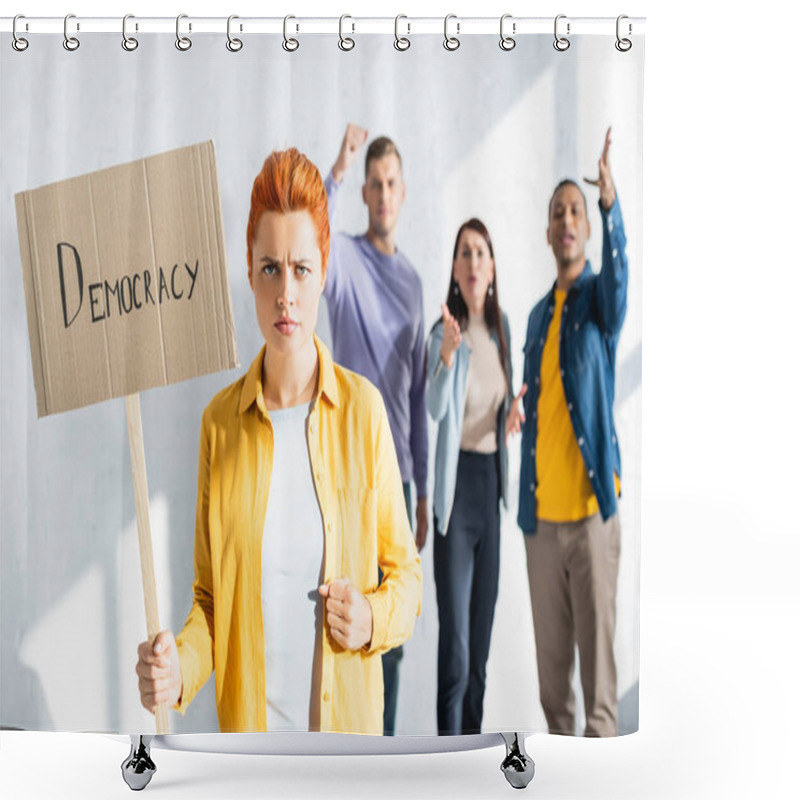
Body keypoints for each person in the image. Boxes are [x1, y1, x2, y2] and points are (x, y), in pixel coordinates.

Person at [135, 148, 422, 735]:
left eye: (300, 269)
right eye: (270, 268)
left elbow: (409, 584)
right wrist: (176, 670)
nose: (285, 294)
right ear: (248, 271)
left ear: (324, 270)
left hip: (346, 759)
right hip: (250, 760)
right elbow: (212, 607)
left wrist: (371, 617)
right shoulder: (219, 423)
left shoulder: (364, 413)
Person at [518, 127, 628, 737]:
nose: (566, 219)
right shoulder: (537, 315)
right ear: (547, 231)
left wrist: (611, 205)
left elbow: (619, 281)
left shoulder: (598, 302)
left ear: (585, 230)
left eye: (576, 211)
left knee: (599, 698)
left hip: (591, 519)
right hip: (541, 525)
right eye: (558, 211)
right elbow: (537, 403)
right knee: (552, 692)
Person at [322, 124, 428, 735]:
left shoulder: (414, 282)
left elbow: (416, 395)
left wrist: (420, 489)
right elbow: (314, 232)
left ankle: (381, 756)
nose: (384, 193)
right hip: (344, 471)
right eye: (374, 183)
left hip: (397, 482)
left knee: (396, 628)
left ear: (403, 192)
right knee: (345, 619)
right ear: (364, 193)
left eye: (392, 183)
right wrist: (337, 168)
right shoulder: (345, 264)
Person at [426, 219, 525, 735]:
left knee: (481, 658)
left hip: (490, 489)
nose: (471, 262)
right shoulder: (445, 330)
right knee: (457, 656)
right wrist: (445, 355)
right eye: (463, 253)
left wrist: (507, 420)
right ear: (456, 269)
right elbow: (435, 406)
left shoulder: (504, 327)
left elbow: (497, 403)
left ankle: (471, 768)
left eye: (480, 252)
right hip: (455, 494)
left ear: (491, 266)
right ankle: (447, 765)